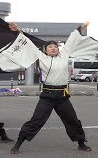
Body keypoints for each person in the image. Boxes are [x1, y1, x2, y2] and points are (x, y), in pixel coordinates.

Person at [8, 22, 92, 154]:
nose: (53, 48)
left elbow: (71, 39)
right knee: (36, 120)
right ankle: (18, 143)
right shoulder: (41, 57)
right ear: (45, 50)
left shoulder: (64, 55)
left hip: (62, 96)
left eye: (55, 47)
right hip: (47, 96)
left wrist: (81, 28)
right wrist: (18, 31)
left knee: (72, 120)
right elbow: (29, 43)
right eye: (50, 47)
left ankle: (81, 143)